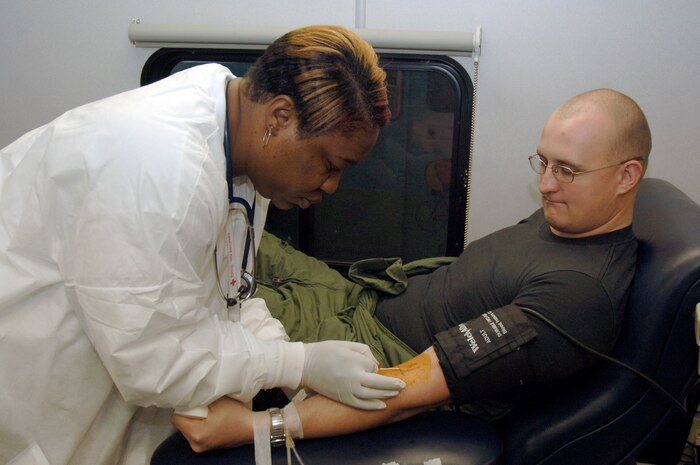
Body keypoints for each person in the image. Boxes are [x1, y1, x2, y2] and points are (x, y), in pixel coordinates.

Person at [0, 25, 407, 465]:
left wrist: (299, 376)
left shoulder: (241, 143)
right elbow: (152, 360)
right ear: (281, 117)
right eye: (329, 164)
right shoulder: (157, 167)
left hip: (111, 361)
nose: (331, 186)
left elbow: (231, 288)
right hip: (32, 369)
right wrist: (296, 363)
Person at [169, 88, 651, 454]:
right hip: (359, 295)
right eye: (543, 163)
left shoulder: (579, 294)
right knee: (228, 229)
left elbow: (407, 389)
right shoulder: (567, 218)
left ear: (626, 176)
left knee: (190, 296)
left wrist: (260, 428)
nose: (545, 184)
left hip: (366, 345)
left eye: (566, 170)